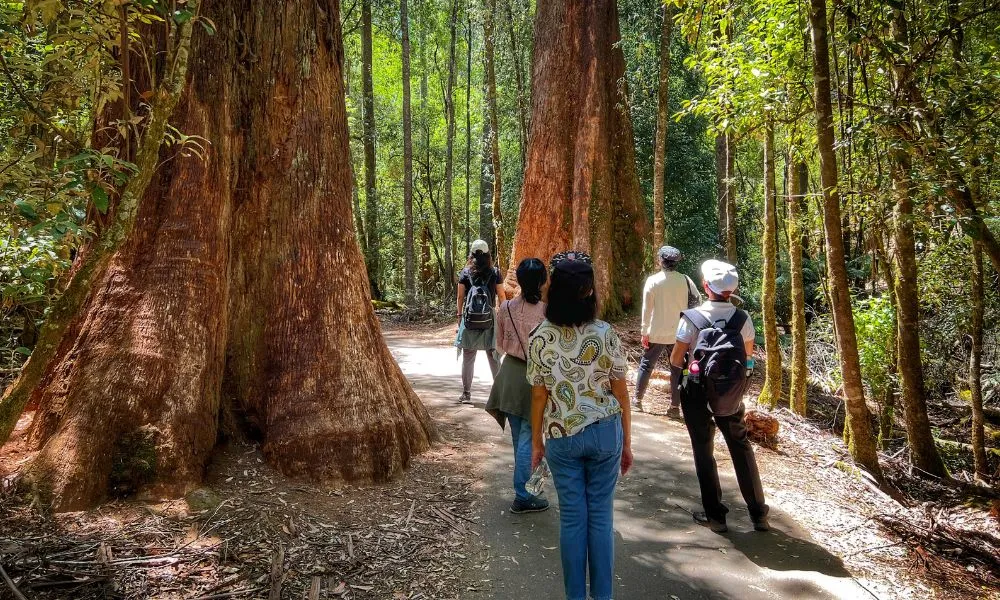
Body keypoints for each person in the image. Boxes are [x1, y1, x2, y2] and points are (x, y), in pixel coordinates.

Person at [528, 251, 633, 600]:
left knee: (573, 519)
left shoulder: (540, 337)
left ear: (552, 291)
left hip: (562, 436)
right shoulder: (606, 333)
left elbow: (539, 398)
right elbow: (621, 393)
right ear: (589, 292)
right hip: (605, 433)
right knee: (600, 518)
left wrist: (537, 444)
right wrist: (627, 443)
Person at [670, 259, 769, 533]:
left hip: (697, 390)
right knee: (740, 445)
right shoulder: (743, 319)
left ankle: (716, 516)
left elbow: (677, 359)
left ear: (705, 286)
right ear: (731, 290)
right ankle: (758, 513)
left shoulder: (692, 318)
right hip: (731, 392)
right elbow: (748, 358)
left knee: (703, 449)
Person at [485, 258, 549, 514]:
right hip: (534, 379)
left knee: (519, 438)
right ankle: (524, 495)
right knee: (529, 438)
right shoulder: (547, 313)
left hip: (509, 374)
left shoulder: (506, 308)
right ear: (543, 281)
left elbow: (499, 344)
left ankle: (527, 490)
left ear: (519, 281)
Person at [633, 245, 701, 417]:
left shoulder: (653, 281)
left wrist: (644, 331)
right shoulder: (685, 280)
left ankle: (637, 401)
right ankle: (674, 408)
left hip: (656, 331)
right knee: (677, 369)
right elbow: (698, 300)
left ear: (660, 261)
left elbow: (646, 309)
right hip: (680, 333)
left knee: (647, 365)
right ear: (676, 263)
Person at [456, 239, 506, 404]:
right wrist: (502, 316)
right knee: (493, 356)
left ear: (472, 254)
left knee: (468, 356)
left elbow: (460, 296)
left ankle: (466, 393)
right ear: (487, 255)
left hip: (469, 318)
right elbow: (502, 296)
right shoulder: (495, 272)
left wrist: (459, 316)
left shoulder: (465, 273)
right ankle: (498, 395)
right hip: (489, 318)